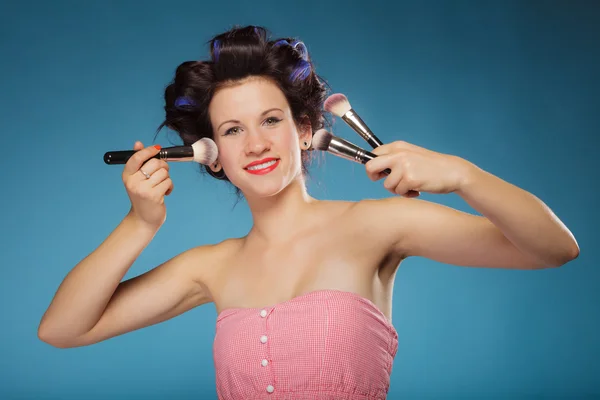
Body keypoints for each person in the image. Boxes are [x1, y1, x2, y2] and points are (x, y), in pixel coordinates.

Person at [38, 25, 579, 399]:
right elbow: (61, 329)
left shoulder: (375, 226)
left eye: (271, 120)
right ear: (213, 156)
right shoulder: (211, 267)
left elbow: (554, 249)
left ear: (303, 130)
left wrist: (464, 175)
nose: (254, 144)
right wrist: (140, 223)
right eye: (232, 130)